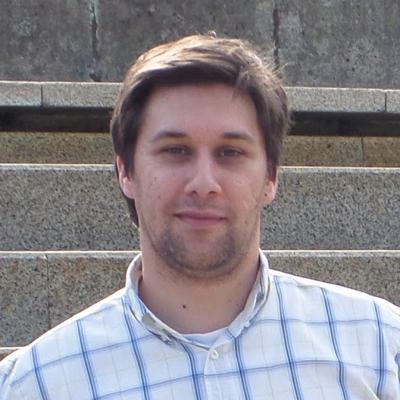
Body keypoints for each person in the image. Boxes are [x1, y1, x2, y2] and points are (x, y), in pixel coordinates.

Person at [1, 34, 399, 400]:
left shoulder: (381, 349)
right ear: (126, 172)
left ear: (270, 177)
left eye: (230, 152)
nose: (204, 183)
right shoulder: (36, 385)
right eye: (175, 150)